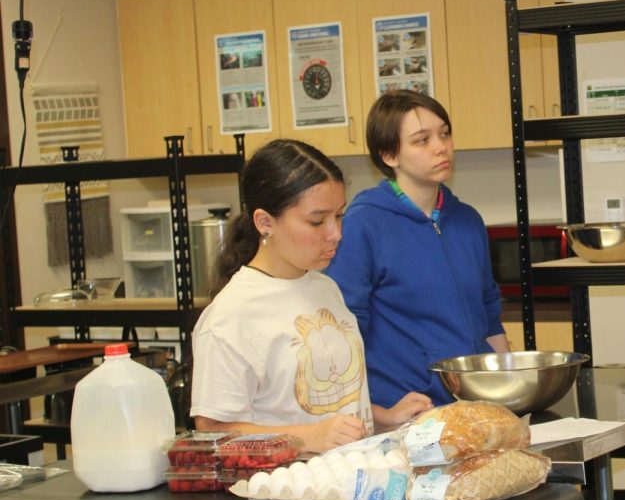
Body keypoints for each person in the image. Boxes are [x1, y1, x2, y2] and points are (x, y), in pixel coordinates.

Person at [189, 139, 432, 454]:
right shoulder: (230, 315)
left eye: (339, 216)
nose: (336, 233)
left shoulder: (324, 287)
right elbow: (212, 432)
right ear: (265, 222)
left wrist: (384, 418)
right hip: (282, 494)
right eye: (317, 221)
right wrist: (306, 438)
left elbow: (321, 409)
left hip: (348, 480)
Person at [326, 91, 509, 409]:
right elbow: (344, 333)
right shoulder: (362, 224)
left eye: (444, 134)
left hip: (474, 405)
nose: (442, 147)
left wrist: (509, 385)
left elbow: (489, 316)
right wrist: (378, 413)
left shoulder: (467, 220)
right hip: (406, 412)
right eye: (422, 140)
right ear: (389, 155)